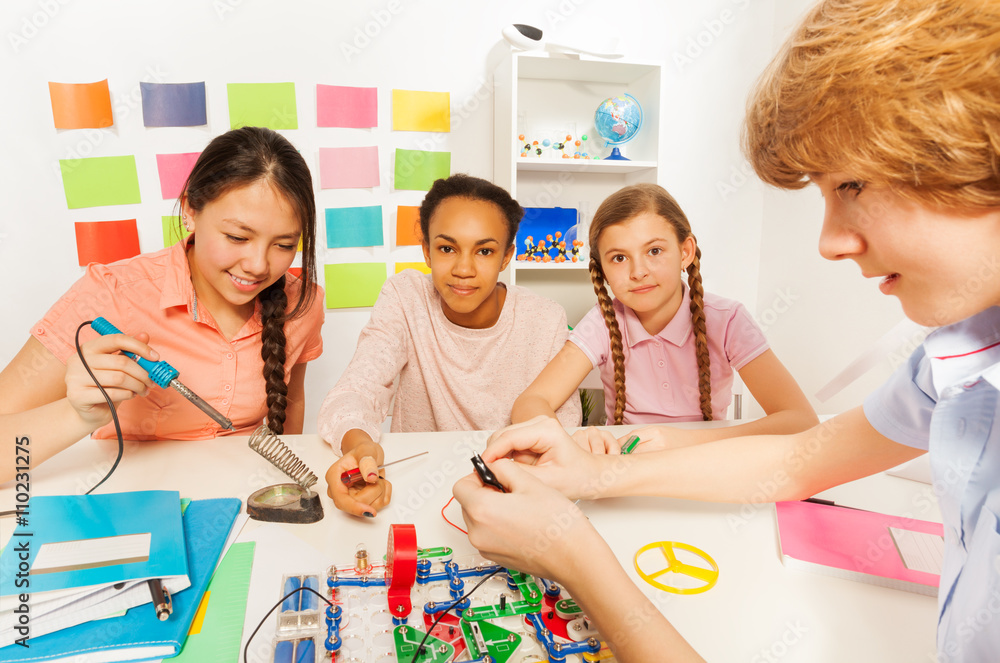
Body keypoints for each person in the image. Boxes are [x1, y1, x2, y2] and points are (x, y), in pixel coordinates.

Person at [455, 0, 1000, 660]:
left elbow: (793, 427)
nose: (827, 241)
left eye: (852, 183)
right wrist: (587, 473)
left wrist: (573, 549)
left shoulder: (727, 318)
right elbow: (800, 458)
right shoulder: (953, 357)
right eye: (618, 259)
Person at [0, 126, 324, 484]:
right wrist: (78, 416)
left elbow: (291, 406)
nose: (259, 265)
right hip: (129, 508)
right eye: (237, 237)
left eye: (283, 244)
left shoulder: (302, 303)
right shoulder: (109, 294)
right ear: (189, 211)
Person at [319, 174, 581, 517]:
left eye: (484, 251)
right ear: (426, 250)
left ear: (506, 257)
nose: (463, 269)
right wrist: (360, 446)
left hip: (512, 498)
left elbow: (562, 434)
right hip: (417, 496)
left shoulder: (545, 319)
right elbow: (358, 389)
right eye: (447, 248)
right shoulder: (405, 297)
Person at [512, 182, 817, 451]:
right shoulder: (603, 323)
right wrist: (572, 442)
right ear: (602, 269)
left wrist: (681, 441)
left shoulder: (728, 320)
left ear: (686, 252)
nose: (638, 271)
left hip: (708, 464)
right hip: (626, 467)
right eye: (619, 258)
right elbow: (531, 403)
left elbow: (800, 421)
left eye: (654, 251)